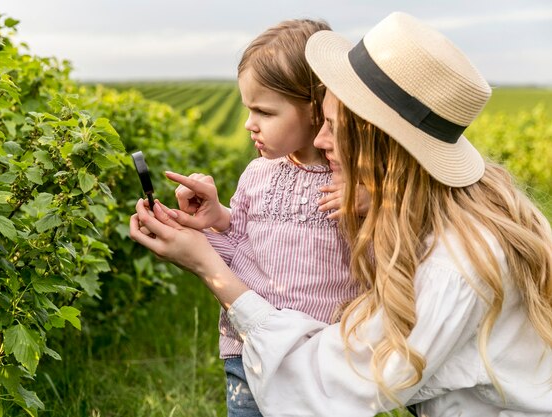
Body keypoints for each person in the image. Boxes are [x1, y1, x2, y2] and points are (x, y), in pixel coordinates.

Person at [130, 11, 552, 417]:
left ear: (378, 141)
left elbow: (330, 387)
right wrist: (218, 227)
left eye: (331, 124)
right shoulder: (436, 216)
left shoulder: (454, 267)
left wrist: (208, 267)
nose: (320, 138)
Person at [159, 19, 359, 417]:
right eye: (248, 109)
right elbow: (244, 247)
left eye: (264, 111)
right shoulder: (257, 174)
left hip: (319, 358)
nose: (250, 124)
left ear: (318, 108)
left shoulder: (353, 181)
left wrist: (370, 200)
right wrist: (206, 221)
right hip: (246, 348)